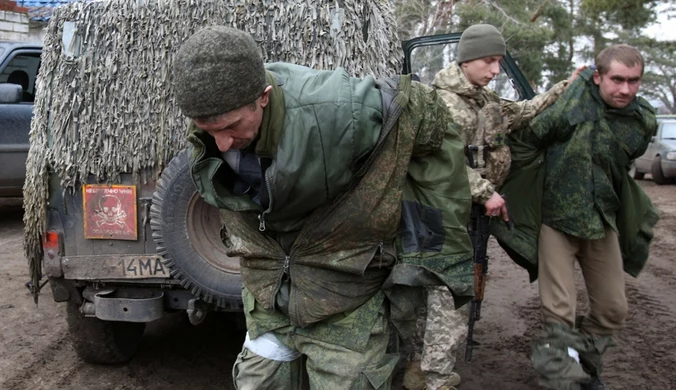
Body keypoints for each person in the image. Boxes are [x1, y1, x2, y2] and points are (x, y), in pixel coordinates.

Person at [171, 26, 475, 390]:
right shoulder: (216, 133)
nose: (222, 143)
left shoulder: (339, 111)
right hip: (271, 298)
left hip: (346, 298)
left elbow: (429, 119)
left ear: (263, 97)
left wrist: (426, 245)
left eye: (233, 126)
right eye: (208, 130)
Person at [402, 24, 583, 390]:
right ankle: (436, 378)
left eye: (499, 62)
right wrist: (486, 192)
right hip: (439, 212)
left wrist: (568, 86)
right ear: (467, 60)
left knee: (443, 291)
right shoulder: (444, 103)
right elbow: (444, 163)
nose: (496, 70)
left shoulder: (483, 100)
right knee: (450, 293)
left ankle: (421, 369)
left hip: (461, 212)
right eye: (489, 61)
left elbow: (522, 112)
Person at [492, 44, 658, 390]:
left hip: (601, 222)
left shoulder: (640, 121)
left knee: (613, 308)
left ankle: (585, 360)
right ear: (598, 77)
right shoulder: (569, 106)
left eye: (633, 81)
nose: (625, 89)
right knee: (559, 314)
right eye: (616, 79)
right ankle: (563, 376)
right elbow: (530, 136)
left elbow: (632, 151)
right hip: (557, 221)